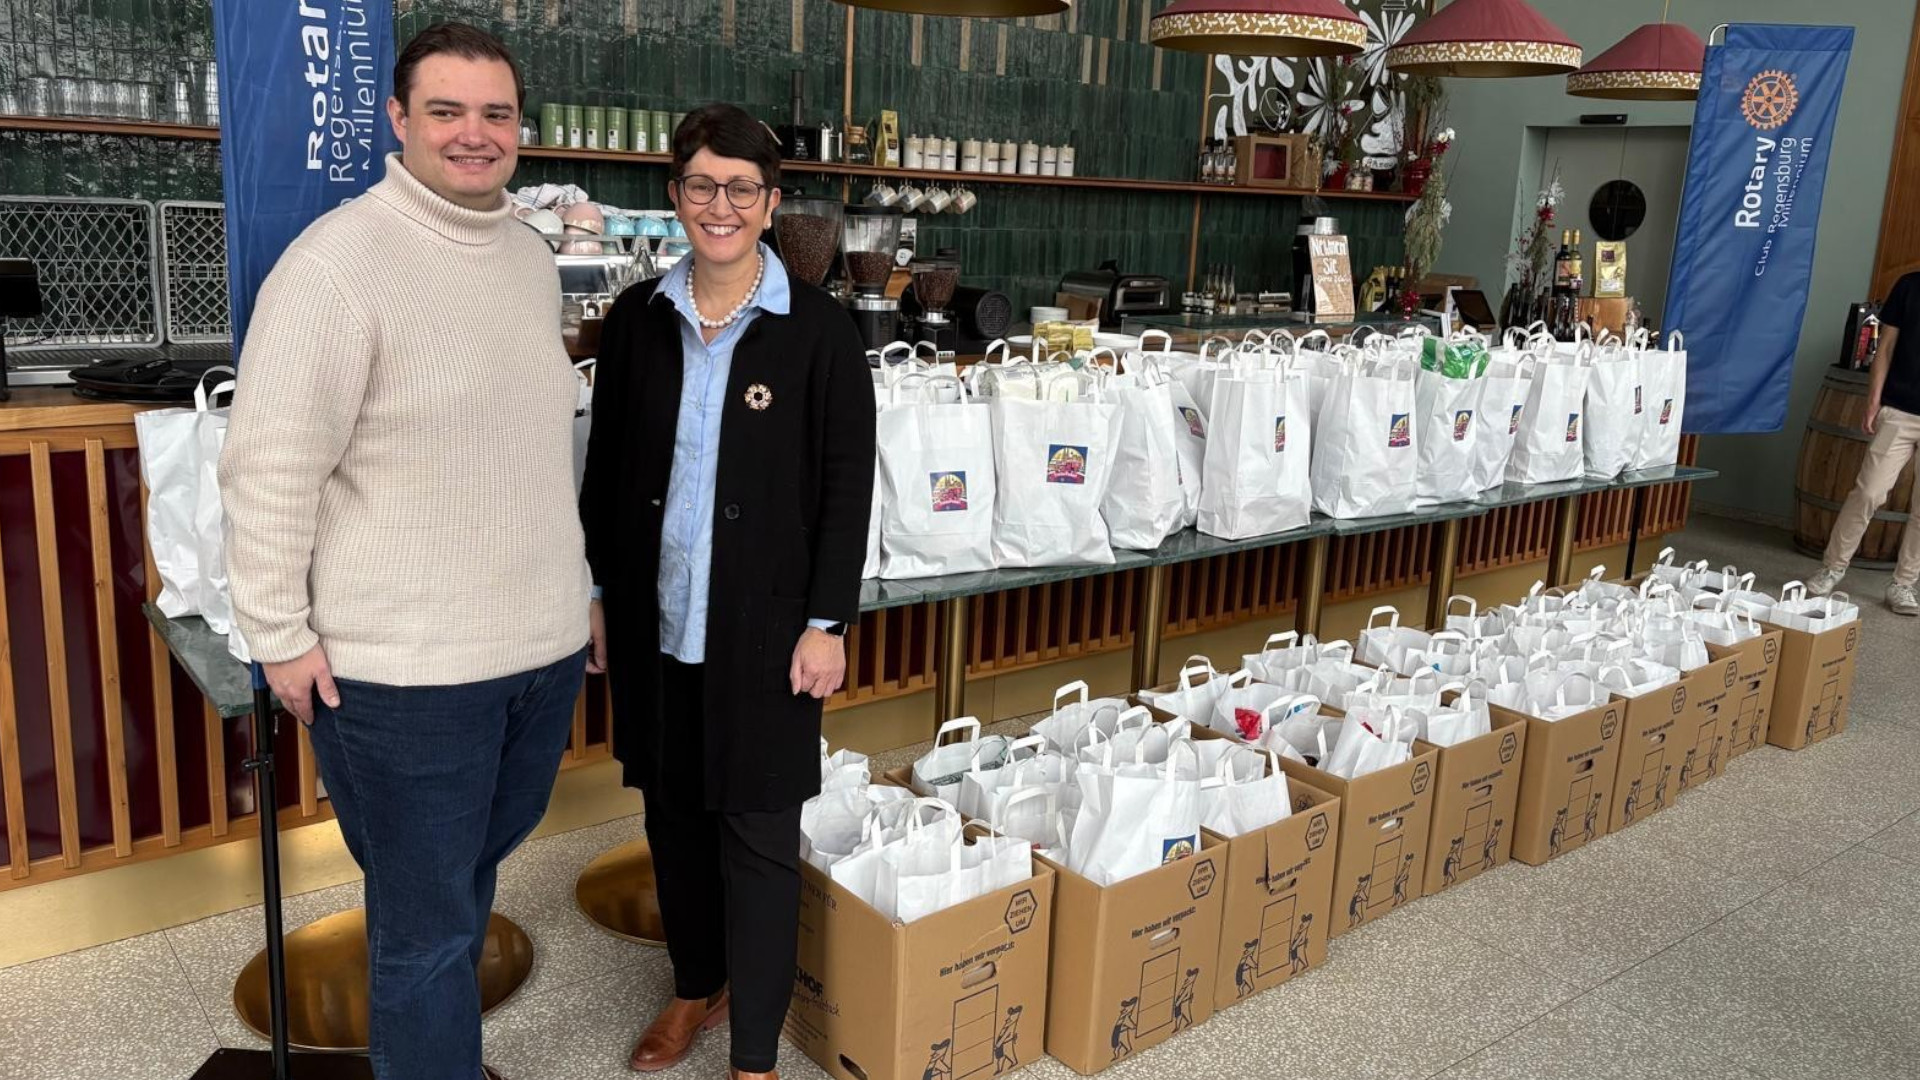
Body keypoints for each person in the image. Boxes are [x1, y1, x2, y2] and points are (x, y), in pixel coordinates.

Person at [219, 23, 585, 1080]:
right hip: (407, 677)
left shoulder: (527, 256)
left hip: (538, 651)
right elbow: (269, 467)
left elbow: (531, 452)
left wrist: (582, 593)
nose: (475, 135)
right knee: (425, 936)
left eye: (497, 114)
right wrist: (278, 635)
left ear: (519, 127)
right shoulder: (338, 265)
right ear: (397, 119)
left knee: (467, 881)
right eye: (447, 111)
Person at [580, 103, 875, 1080]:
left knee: (754, 833)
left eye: (741, 189)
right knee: (672, 816)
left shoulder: (820, 335)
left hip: (767, 631)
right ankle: (691, 989)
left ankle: (755, 1055)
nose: (721, 206)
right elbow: (606, 467)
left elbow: (846, 488)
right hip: (655, 621)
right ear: (675, 199)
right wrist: (596, 593)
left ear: (771, 203)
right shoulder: (637, 321)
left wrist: (827, 622)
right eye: (702, 186)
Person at [1809, 275, 1920, 615]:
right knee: (1869, 492)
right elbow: (1884, 347)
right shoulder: (1909, 286)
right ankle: (1833, 567)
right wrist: (1874, 400)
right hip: (1899, 409)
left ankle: (1903, 584)